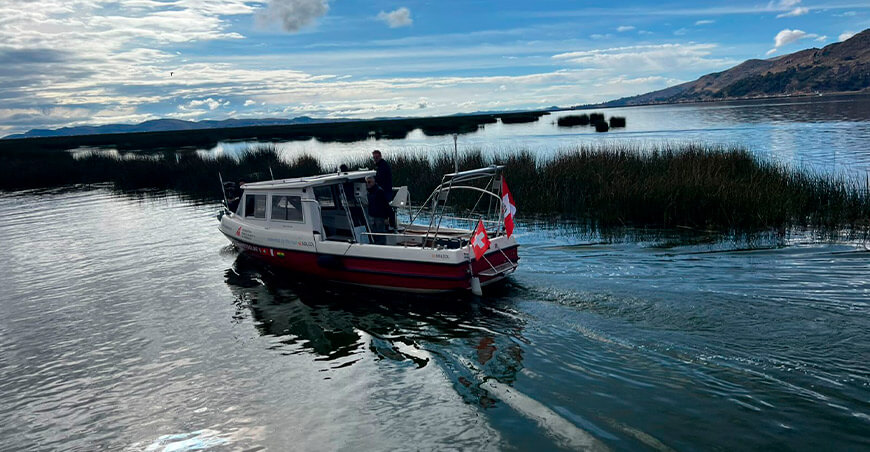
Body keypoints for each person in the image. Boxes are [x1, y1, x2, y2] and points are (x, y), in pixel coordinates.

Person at [365, 176, 391, 244]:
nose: (368, 184)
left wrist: (386, 217)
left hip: (379, 217)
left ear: (373, 182)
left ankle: (382, 244)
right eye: (367, 182)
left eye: (369, 182)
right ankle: (375, 244)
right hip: (372, 216)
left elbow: (385, 205)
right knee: (374, 233)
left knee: (381, 233)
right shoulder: (369, 192)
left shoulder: (379, 191)